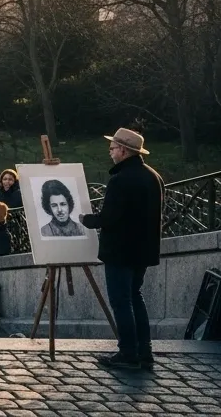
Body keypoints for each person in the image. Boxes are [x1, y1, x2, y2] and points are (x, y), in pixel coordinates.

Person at [81, 128, 163, 371]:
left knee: (121, 301)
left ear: (124, 151)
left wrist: (86, 219)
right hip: (143, 251)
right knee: (135, 296)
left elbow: (109, 217)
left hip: (120, 251)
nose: (111, 152)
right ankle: (144, 352)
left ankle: (128, 352)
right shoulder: (153, 176)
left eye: (113, 148)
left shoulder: (120, 179)